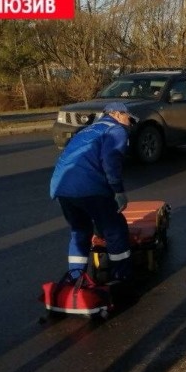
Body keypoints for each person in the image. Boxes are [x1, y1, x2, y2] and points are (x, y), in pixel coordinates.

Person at [49, 102, 133, 283]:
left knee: (80, 231)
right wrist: (118, 191)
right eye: (129, 117)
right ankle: (120, 276)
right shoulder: (115, 130)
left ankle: (75, 277)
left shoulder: (86, 130)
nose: (130, 122)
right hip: (90, 188)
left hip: (62, 188)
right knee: (115, 228)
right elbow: (111, 162)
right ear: (118, 114)